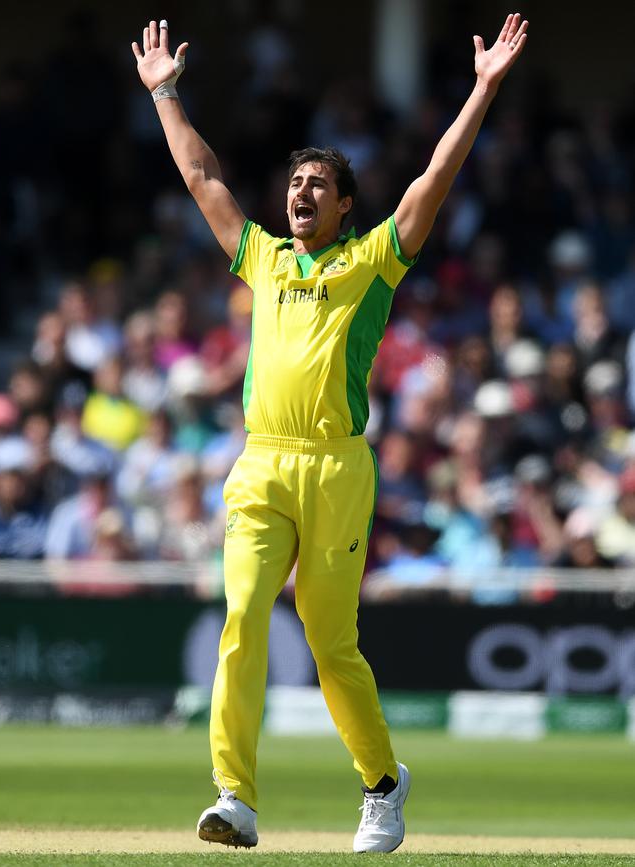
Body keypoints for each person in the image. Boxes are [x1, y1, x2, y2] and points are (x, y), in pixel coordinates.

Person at [132, 12, 528, 853]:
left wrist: (483, 88)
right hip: (260, 465)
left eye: (318, 185)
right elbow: (203, 177)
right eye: (294, 183)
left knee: (329, 640)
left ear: (344, 205)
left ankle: (382, 785)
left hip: (338, 468)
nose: (300, 193)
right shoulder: (264, 258)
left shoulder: (372, 261)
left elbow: (431, 181)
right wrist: (165, 92)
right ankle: (233, 796)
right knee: (242, 614)